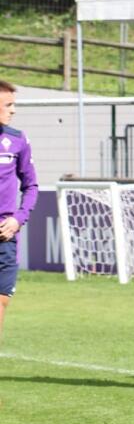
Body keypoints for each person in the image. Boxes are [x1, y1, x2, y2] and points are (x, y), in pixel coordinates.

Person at [0, 81, 37, 342]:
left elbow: (31, 185)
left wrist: (18, 218)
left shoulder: (17, 140)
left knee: (1, 302)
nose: (13, 110)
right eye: (8, 105)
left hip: (5, 234)